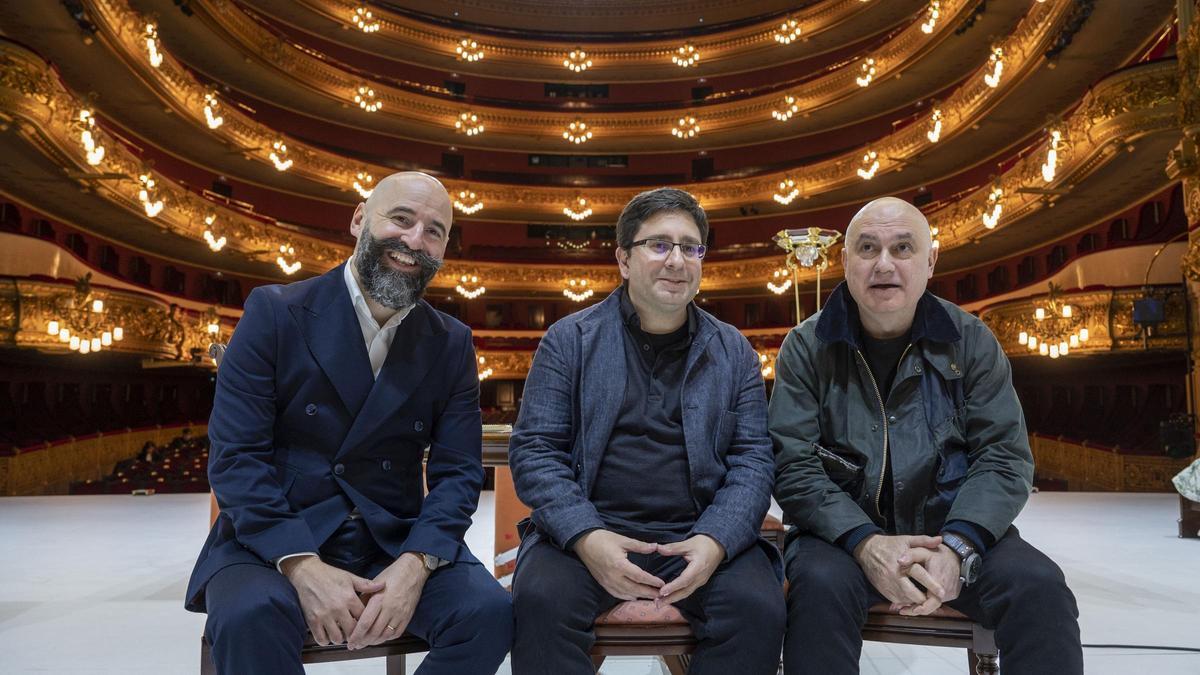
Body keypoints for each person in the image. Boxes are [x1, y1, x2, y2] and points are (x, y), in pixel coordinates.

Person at [185, 172, 513, 674]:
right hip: (275, 536)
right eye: (401, 219)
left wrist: (416, 563)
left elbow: (459, 473)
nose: (413, 241)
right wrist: (299, 562)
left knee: (488, 614)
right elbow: (237, 459)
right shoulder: (273, 312)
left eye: (434, 231)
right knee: (251, 616)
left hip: (393, 540)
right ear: (359, 218)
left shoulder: (451, 342)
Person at [770, 197, 1082, 674]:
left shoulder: (972, 341)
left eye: (903, 248)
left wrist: (958, 548)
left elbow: (1003, 458)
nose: (884, 264)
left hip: (952, 531)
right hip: (840, 539)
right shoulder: (805, 347)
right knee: (816, 591)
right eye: (868, 247)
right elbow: (793, 464)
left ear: (930, 261)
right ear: (846, 261)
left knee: (1040, 588)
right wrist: (865, 542)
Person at [509, 187, 785, 675]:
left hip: (698, 535)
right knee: (540, 602)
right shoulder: (569, 340)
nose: (676, 260)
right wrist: (587, 536)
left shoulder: (734, 351)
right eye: (658, 244)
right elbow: (535, 452)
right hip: (588, 534)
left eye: (690, 247)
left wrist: (715, 540)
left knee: (757, 608)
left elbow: (753, 462)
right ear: (623, 259)